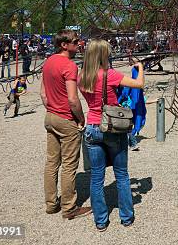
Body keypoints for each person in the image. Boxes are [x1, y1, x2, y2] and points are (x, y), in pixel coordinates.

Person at [78, 39, 143, 231]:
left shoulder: (82, 77)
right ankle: (126, 217)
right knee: (121, 175)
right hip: (112, 127)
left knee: (97, 177)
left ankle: (101, 220)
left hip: (92, 127)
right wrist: (140, 67)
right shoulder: (110, 74)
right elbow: (138, 84)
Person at [40, 29, 91, 220]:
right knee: (69, 165)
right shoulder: (69, 66)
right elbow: (73, 99)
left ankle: (51, 204)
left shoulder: (48, 62)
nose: (79, 44)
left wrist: (52, 108)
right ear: (64, 45)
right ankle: (69, 207)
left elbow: (43, 94)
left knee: (52, 162)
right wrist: (81, 119)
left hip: (50, 117)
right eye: (75, 41)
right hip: (65, 119)